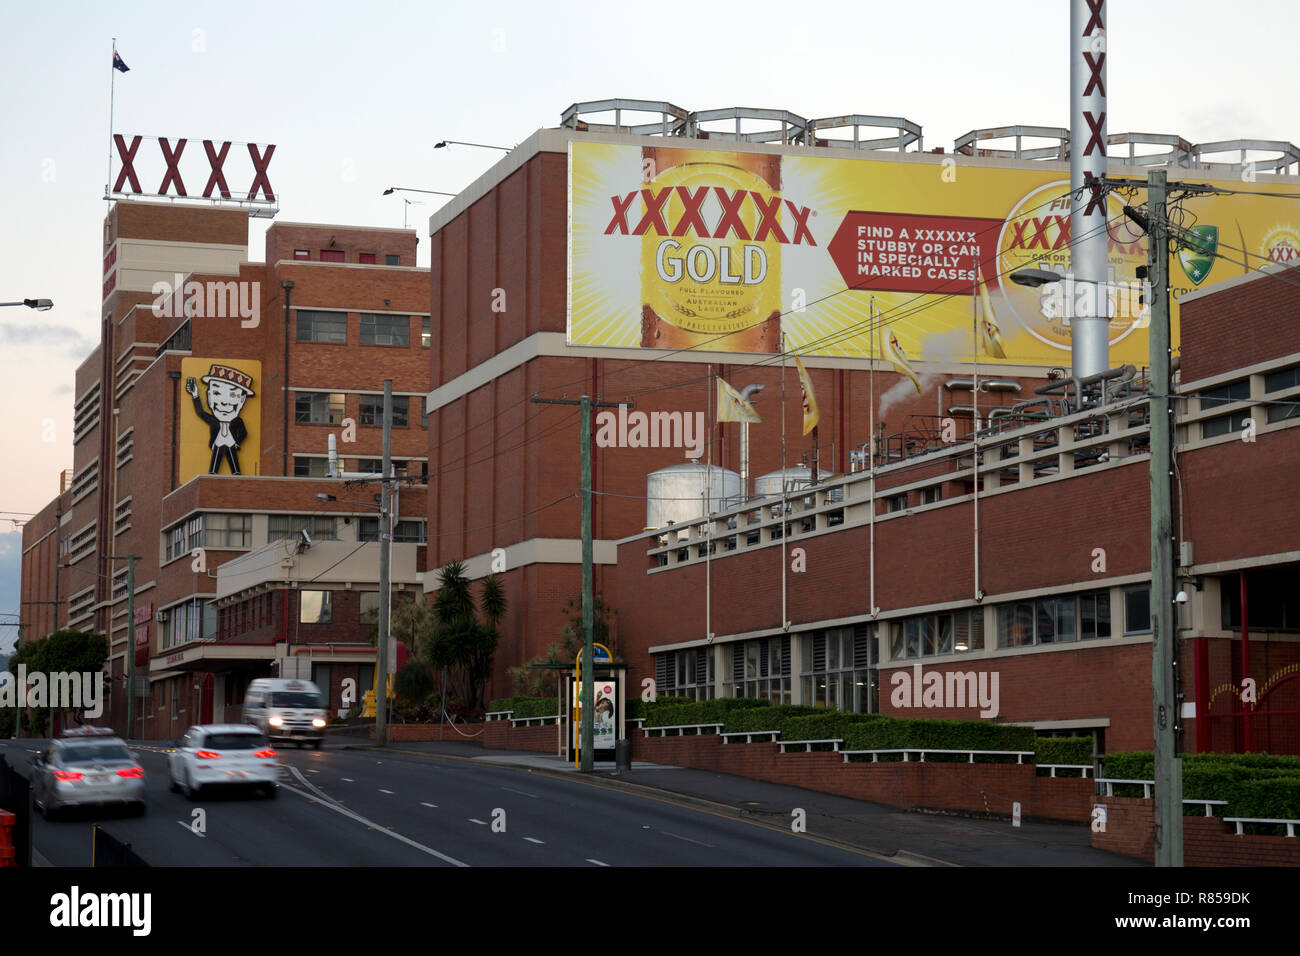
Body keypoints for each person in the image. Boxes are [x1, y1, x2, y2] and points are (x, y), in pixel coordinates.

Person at [186, 364, 254, 475]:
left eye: (232, 395)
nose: (224, 402)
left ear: (242, 400)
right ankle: (213, 473)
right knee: (215, 464)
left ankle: (236, 473)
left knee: (235, 465)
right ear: (209, 396)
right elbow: (200, 412)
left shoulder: (237, 421)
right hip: (218, 443)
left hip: (231, 443)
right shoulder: (214, 422)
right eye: (217, 393)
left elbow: (244, 433)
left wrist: (237, 443)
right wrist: (195, 395)